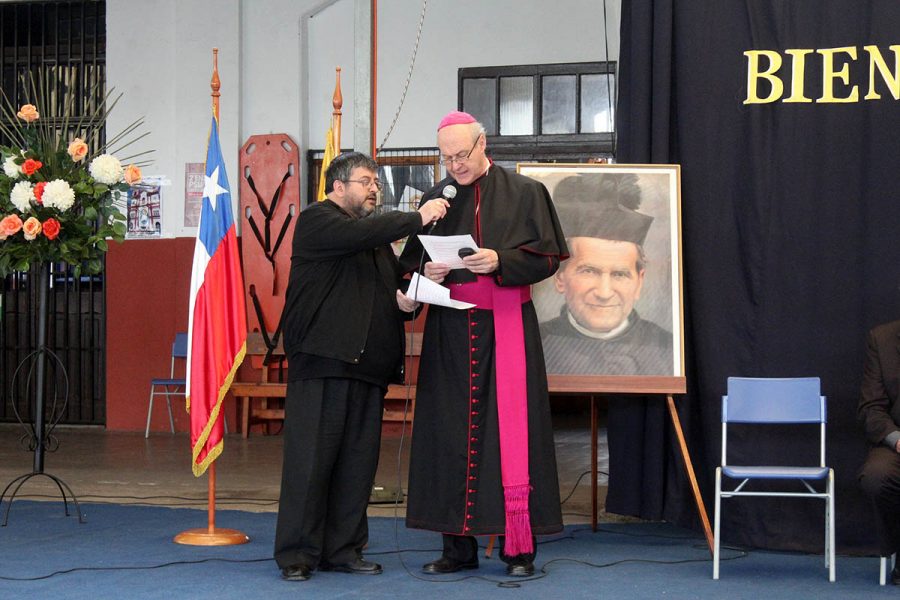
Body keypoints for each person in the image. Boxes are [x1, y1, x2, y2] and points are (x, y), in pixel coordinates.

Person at [399, 111, 568, 577]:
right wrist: (425, 274)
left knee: (512, 434)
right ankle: (456, 549)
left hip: (506, 327)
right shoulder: (436, 200)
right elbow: (409, 267)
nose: (455, 165)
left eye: (462, 155)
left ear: (483, 143)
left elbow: (550, 256)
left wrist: (502, 260)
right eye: (446, 158)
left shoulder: (525, 193)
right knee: (448, 433)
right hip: (450, 331)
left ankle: (519, 550)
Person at [273, 152, 448, 582]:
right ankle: (297, 554)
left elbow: (386, 296)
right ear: (337, 187)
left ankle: (344, 550)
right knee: (310, 465)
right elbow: (371, 231)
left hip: (367, 371)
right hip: (323, 364)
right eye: (366, 181)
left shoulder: (373, 245)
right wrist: (419, 217)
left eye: (376, 183)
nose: (374, 189)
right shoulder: (318, 220)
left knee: (356, 468)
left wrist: (408, 300)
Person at [540, 174, 673, 376]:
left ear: (639, 282)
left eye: (619, 274)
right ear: (560, 278)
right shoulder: (533, 343)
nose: (604, 293)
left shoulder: (668, 350)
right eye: (589, 271)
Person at [858, 319, 900, 585]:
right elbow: (871, 408)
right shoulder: (882, 339)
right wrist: (896, 440)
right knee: (876, 477)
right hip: (896, 441)